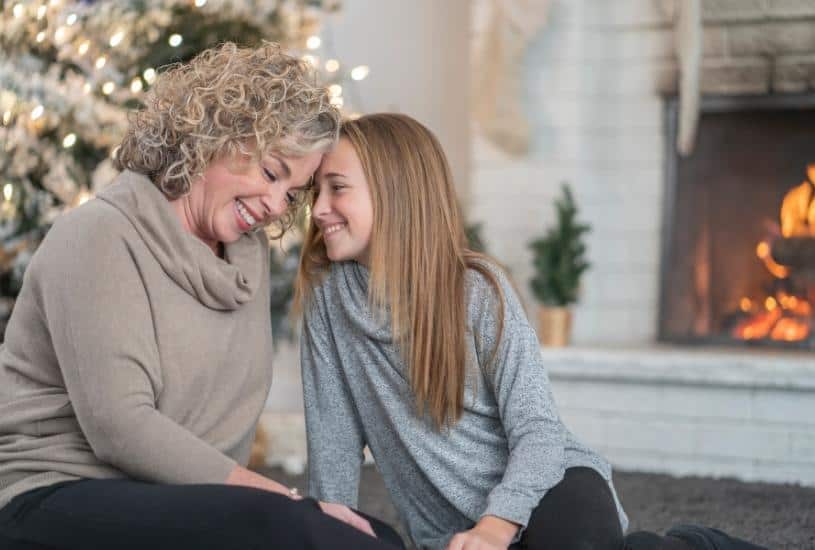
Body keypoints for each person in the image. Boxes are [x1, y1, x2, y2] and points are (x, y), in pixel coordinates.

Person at [294, 113, 770, 550]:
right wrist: (327, 531)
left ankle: (698, 544)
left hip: (550, 486)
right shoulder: (328, 301)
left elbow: (538, 431)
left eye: (338, 188)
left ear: (396, 193)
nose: (319, 210)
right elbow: (333, 445)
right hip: (454, 533)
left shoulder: (477, 290)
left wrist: (495, 527)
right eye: (318, 191)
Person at [0, 43, 403, 550]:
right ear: (214, 136)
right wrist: (288, 502)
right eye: (272, 173)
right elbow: (120, 428)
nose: (278, 206)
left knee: (375, 536)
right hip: (51, 493)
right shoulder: (99, 235)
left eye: (292, 195)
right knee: (294, 527)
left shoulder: (243, 261)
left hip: (173, 498)